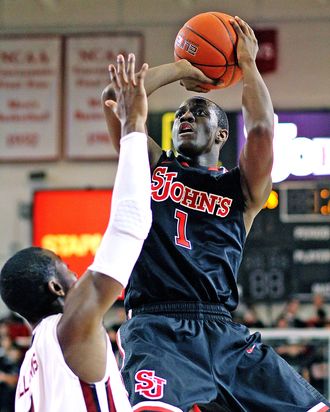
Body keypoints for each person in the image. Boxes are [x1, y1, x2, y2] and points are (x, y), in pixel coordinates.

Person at [103, 17, 330, 412]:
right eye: (180, 117)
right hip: (157, 327)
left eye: (197, 113)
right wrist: (182, 69)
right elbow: (115, 99)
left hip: (222, 329)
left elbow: (261, 129)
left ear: (222, 135)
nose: (185, 118)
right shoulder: (153, 165)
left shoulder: (241, 188)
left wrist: (249, 66)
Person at [0, 53, 152, 412]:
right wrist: (133, 125)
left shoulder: (29, 369)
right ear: (55, 288)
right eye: (66, 267)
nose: (75, 273)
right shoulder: (69, 327)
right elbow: (130, 223)